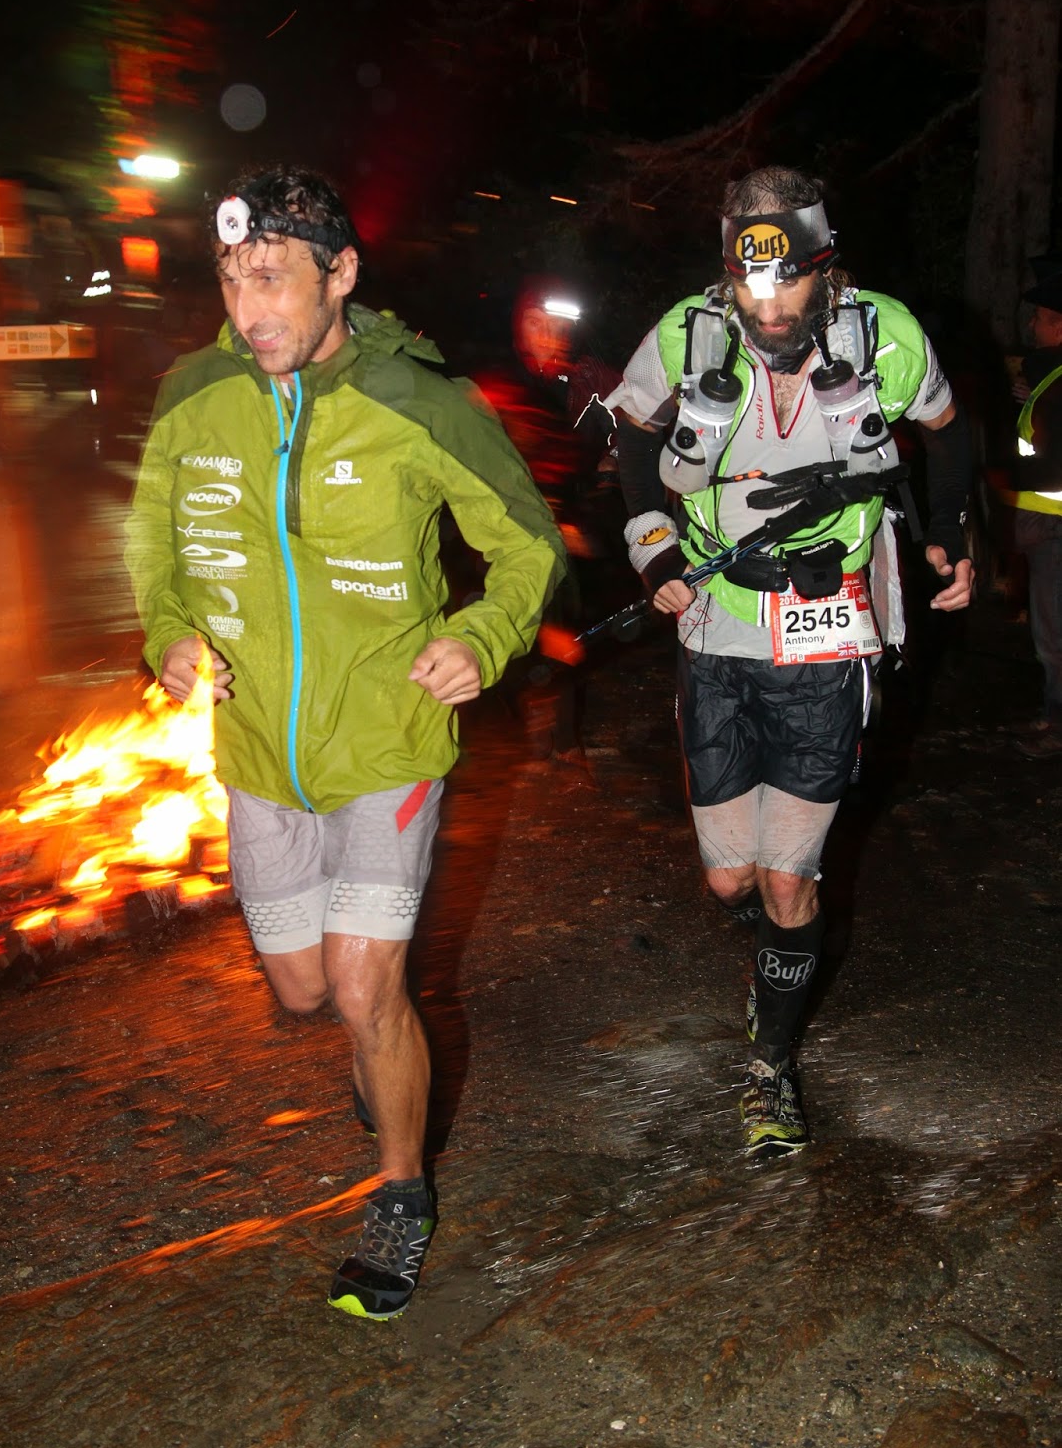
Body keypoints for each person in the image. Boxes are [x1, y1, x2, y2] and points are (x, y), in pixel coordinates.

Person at [124, 165, 565, 1318]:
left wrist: (482, 633)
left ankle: (401, 1195)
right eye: (232, 279)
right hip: (258, 752)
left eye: (274, 277)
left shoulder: (421, 401)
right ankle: (383, 1057)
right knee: (306, 987)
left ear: (341, 274)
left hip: (387, 742)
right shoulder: (192, 396)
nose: (250, 307)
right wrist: (169, 635)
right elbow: (154, 549)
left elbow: (527, 543)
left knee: (370, 986)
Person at [605, 166, 973, 1155]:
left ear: (824, 263)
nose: (766, 309)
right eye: (747, 285)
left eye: (787, 284)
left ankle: (769, 1065)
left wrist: (948, 534)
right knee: (730, 882)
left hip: (827, 629)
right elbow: (631, 434)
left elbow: (949, 431)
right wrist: (653, 548)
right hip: (714, 627)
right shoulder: (687, 332)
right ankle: (781, 943)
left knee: (784, 877)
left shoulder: (885, 336)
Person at [1006, 259, 1062, 756]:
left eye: (1040, 317)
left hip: (1054, 525)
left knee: (1054, 631)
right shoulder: (1048, 378)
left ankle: (1058, 724)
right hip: (1047, 523)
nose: (1032, 325)